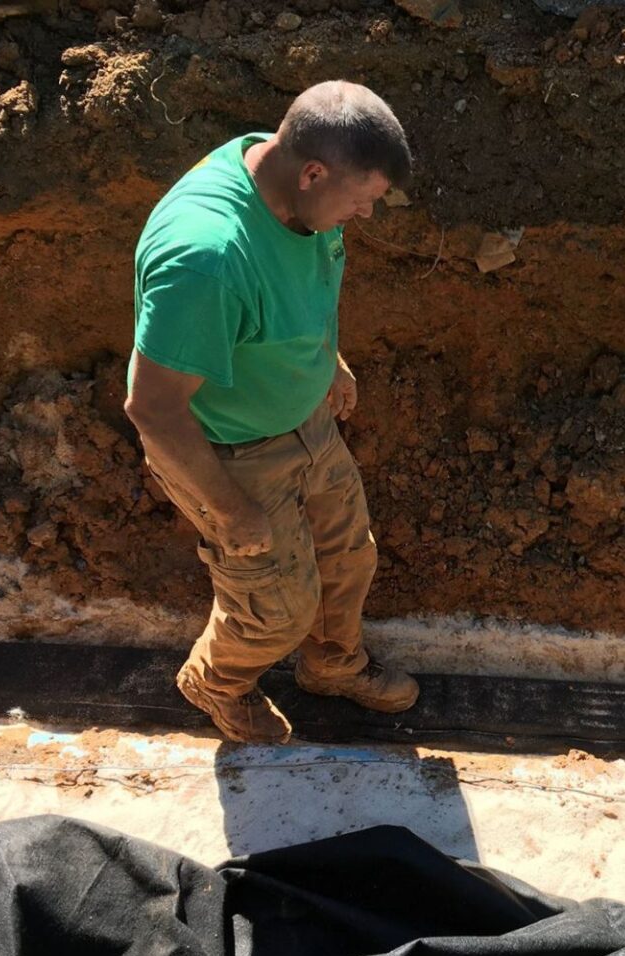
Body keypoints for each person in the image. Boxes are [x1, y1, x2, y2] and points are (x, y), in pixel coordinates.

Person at [124, 81, 418, 743]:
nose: (365, 216)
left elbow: (303, 281)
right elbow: (154, 408)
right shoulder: (206, 259)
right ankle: (216, 682)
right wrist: (229, 508)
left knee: (349, 557)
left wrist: (326, 358)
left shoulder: (286, 177)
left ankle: (334, 668)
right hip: (227, 453)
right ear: (314, 172)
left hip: (303, 420)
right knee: (275, 613)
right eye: (361, 199)